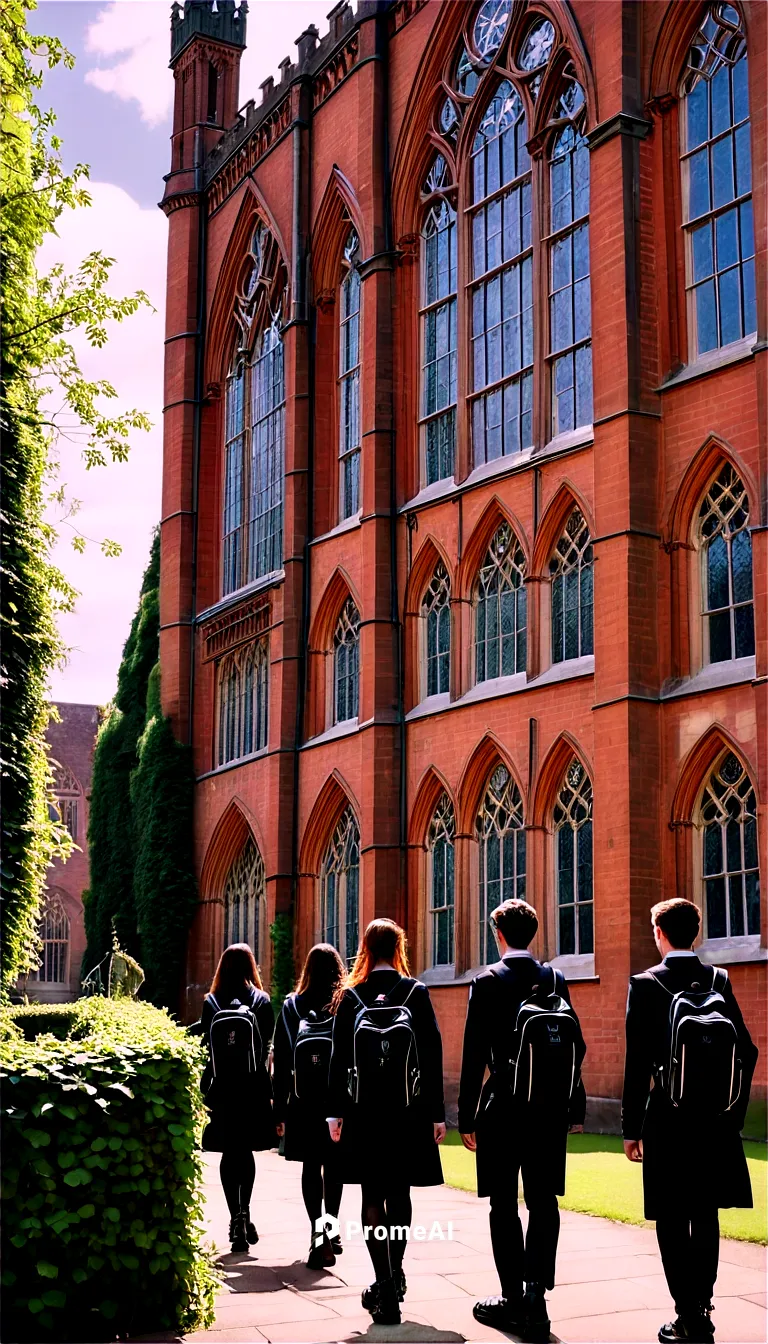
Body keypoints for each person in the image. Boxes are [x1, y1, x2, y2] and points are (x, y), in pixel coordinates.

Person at [622, 898, 758, 1344]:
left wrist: (630, 1127)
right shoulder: (719, 978)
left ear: (659, 934)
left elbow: (636, 1064)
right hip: (717, 1122)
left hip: (668, 1120)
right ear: (695, 933)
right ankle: (703, 1306)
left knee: (671, 1217)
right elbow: (748, 1051)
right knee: (706, 1214)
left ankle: (686, 1316)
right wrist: (732, 1112)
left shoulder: (644, 985)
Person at [458, 898, 586, 1342]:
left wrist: (466, 1116)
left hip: (503, 1109)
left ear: (498, 934)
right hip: (548, 1111)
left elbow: (474, 1054)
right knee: (544, 1203)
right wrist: (576, 1106)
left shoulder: (487, 981)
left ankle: (512, 1299)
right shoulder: (554, 977)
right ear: (531, 933)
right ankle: (538, 1299)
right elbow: (575, 1045)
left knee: (502, 1204)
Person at [327, 918, 446, 1328]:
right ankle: (394, 1278)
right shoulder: (415, 992)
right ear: (398, 949)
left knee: (372, 1199)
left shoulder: (351, 997)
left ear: (365, 949)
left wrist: (334, 1113)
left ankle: (384, 1284)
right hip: (408, 1112)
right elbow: (431, 1054)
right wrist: (437, 1113)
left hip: (363, 1113)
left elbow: (338, 1057)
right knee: (399, 1196)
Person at [199, 943, 276, 1254]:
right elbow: (267, 1043)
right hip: (253, 1088)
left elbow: (206, 1045)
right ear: (251, 967)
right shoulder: (262, 1001)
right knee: (245, 1153)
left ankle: (234, 1218)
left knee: (229, 1154)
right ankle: (245, 1212)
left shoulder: (211, 1002)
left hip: (222, 1089)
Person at [272, 943, 345, 1269]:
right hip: (337, 1100)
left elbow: (283, 1058)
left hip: (302, 1102)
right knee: (335, 1167)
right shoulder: (346, 1003)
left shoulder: (292, 1006)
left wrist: (279, 1110)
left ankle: (319, 1237)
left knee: (310, 1168)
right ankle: (330, 1228)